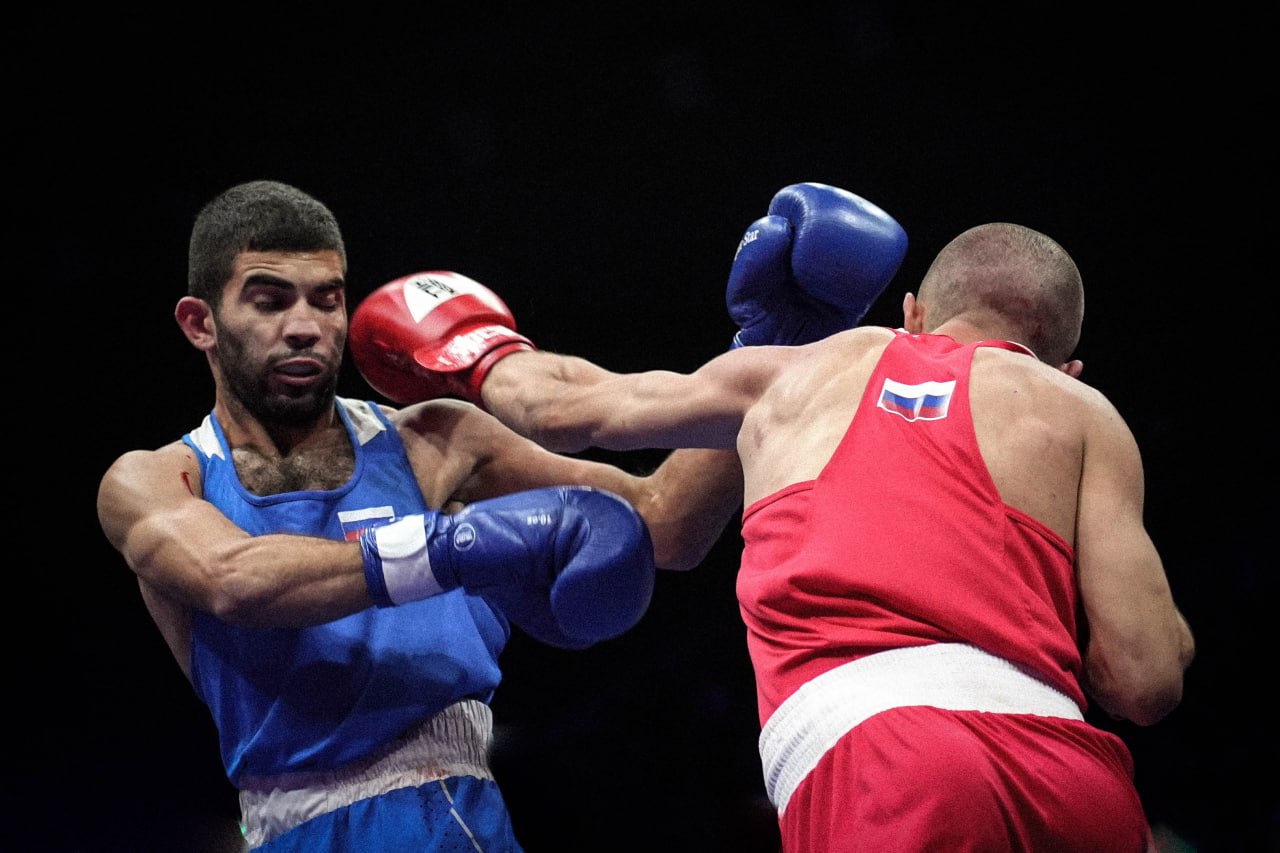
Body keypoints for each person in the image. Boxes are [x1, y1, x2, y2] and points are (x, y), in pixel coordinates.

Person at [96, 178, 907, 851]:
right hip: (286, 826)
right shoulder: (156, 480)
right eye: (269, 301)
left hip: (448, 810)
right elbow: (232, 578)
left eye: (327, 298)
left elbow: (665, 521)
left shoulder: (434, 442)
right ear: (200, 321)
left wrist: (770, 354)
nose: (305, 325)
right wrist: (448, 549)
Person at [354, 219, 1196, 852]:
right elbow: (1145, 677)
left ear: (912, 313)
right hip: (1075, 779)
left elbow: (571, 409)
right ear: (1066, 363)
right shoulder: (1087, 414)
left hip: (889, 760)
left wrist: (477, 344)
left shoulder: (813, 368)